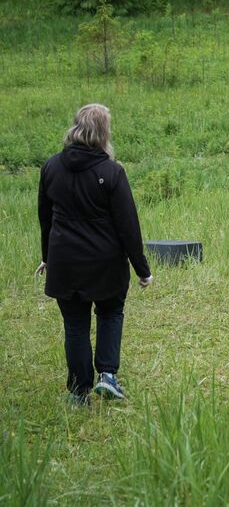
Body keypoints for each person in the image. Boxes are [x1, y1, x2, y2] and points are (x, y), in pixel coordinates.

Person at [37, 104, 152, 406]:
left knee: (75, 325)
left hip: (64, 262)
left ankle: (78, 391)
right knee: (110, 313)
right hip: (106, 264)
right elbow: (128, 226)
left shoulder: (50, 167)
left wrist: (47, 256)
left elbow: (45, 219)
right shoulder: (112, 172)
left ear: (75, 128)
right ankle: (108, 376)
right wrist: (142, 268)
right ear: (103, 133)